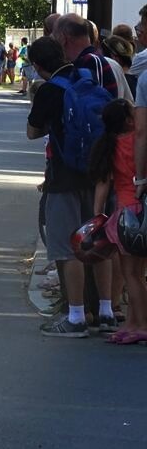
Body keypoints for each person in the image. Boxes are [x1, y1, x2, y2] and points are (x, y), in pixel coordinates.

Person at [27, 35, 113, 337]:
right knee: (98, 243)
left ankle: (76, 315)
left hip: (63, 176)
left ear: (37, 66)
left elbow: (32, 131)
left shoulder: (49, 90)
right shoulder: (86, 77)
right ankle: (106, 312)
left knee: (67, 247)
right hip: (97, 173)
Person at [90, 99, 147, 343]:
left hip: (127, 214)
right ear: (127, 119)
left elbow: (103, 185)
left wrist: (97, 217)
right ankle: (135, 322)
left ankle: (140, 325)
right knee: (140, 274)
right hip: (143, 209)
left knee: (129, 274)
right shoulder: (139, 141)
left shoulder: (111, 146)